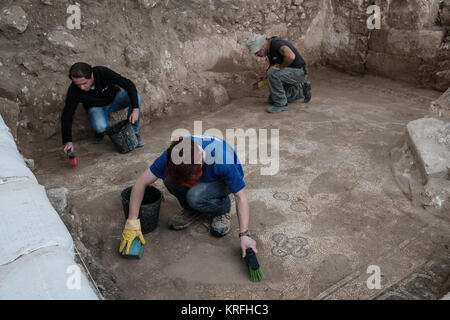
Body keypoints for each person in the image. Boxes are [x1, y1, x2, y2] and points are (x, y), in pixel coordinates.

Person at [119, 135, 258, 258]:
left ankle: (222, 208)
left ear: (201, 164)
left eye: (190, 179)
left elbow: (241, 197)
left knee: (195, 196)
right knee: (168, 179)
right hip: (200, 173)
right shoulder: (172, 155)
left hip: (222, 181)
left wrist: (244, 234)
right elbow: (140, 183)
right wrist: (132, 221)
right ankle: (192, 209)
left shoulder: (222, 161)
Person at [61, 62, 144, 155]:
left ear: (91, 75)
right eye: (78, 85)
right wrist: (68, 141)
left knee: (136, 96)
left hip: (115, 99)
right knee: (100, 127)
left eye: (84, 83)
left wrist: (135, 109)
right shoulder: (74, 90)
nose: (82, 88)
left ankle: (134, 133)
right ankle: (99, 133)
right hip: (97, 108)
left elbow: (129, 85)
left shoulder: (102, 72)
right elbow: (67, 114)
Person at [246, 33, 312, 114]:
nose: (256, 55)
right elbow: (273, 66)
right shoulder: (269, 50)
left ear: (262, 45)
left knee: (273, 73)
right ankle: (302, 89)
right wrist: (266, 76)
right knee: (272, 99)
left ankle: (281, 104)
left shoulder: (276, 44)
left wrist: (280, 67)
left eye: (256, 52)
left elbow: (291, 56)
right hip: (290, 73)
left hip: (300, 72)